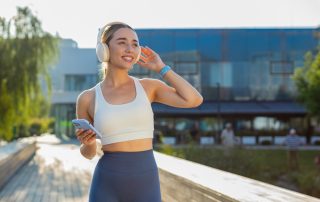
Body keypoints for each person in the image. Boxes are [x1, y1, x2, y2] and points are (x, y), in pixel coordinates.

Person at [75, 22, 203, 202]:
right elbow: (88, 153)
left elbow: (194, 99)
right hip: (106, 185)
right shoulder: (87, 98)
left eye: (135, 44)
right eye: (122, 42)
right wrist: (88, 144)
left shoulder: (149, 87)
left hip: (146, 185)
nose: (130, 49)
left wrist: (161, 68)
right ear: (103, 49)